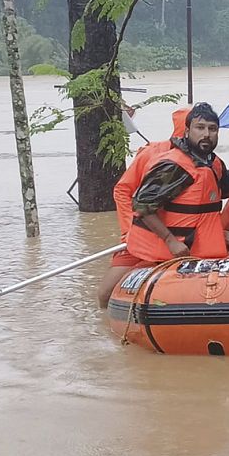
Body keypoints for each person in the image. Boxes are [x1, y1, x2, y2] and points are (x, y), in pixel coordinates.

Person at [125, 103, 229, 265]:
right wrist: (170, 240)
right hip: (170, 253)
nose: (206, 134)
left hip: (204, 254)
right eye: (200, 128)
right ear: (187, 131)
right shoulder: (173, 165)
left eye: (212, 129)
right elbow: (142, 206)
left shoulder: (213, 162)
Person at [97, 105, 192, 308]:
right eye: (197, 128)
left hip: (187, 239)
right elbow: (123, 191)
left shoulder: (208, 163)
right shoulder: (152, 154)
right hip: (145, 235)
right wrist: (127, 231)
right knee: (105, 294)